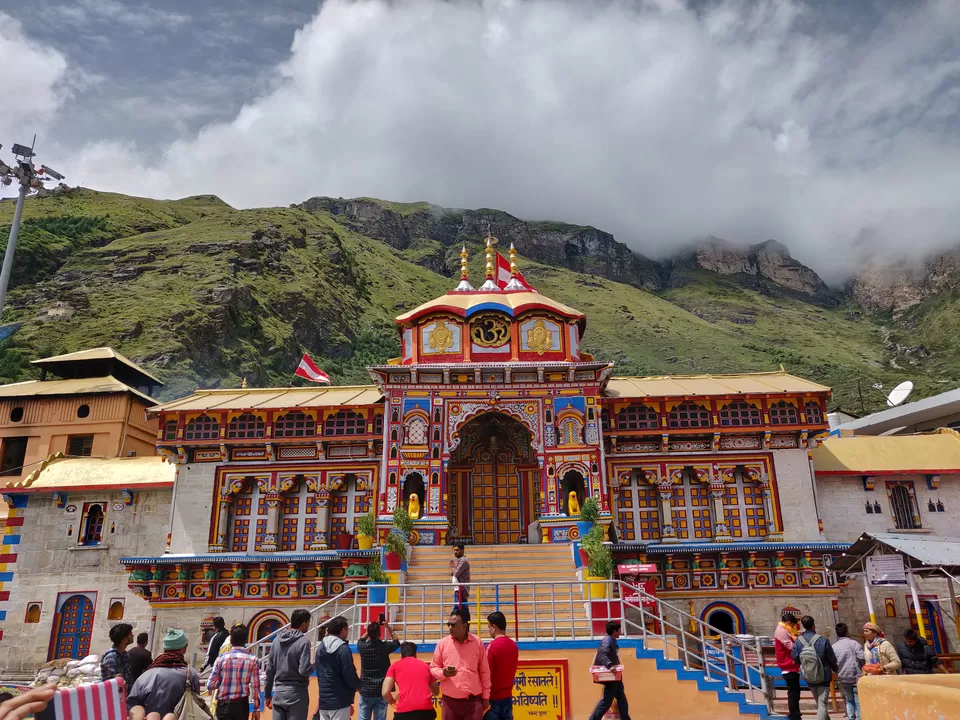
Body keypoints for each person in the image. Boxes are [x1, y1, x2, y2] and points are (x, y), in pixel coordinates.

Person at [430, 608, 490, 720]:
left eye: (453, 625)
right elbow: (433, 668)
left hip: (473, 703)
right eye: (448, 624)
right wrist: (443, 673)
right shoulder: (442, 644)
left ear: (464, 626)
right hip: (450, 704)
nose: (450, 628)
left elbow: (484, 672)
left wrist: (486, 697)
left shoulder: (477, 642)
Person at [127, 629, 200, 717]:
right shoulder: (191, 674)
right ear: (184, 648)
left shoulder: (146, 676)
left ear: (165, 648)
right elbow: (196, 703)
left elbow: (132, 706)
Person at [265, 609, 314, 720]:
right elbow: (304, 670)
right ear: (304, 623)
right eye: (308, 623)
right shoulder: (304, 641)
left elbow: (269, 670)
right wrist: (315, 665)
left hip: (278, 693)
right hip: (297, 694)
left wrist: (267, 695)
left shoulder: (276, 641)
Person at [207, 623, 262, 720]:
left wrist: (223, 681)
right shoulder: (253, 659)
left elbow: (210, 685)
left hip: (224, 706)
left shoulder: (221, 659)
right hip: (242, 706)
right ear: (245, 640)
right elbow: (256, 687)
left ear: (231, 640)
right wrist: (256, 708)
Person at [315, 616, 363, 720]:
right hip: (340, 702)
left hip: (324, 702)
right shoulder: (343, 649)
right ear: (343, 630)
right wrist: (360, 687)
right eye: (347, 629)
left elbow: (318, 672)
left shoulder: (320, 648)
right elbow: (349, 674)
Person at [791, 615, 839, 720]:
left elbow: (795, 657)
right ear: (814, 626)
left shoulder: (798, 641)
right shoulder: (823, 640)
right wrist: (836, 669)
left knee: (820, 703)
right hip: (824, 676)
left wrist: (804, 666)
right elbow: (831, 658)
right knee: (822, 704)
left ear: (803, 626)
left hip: (809, 676)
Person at [384, 642, 440, 720]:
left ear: (401, 655)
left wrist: (392, 702)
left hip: (404, 711)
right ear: (415, 655)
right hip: (426, 711)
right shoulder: (425, 666)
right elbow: (436, 692)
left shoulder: (394, 666)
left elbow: (385, 692)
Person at [587, 621, 631, 720]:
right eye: (619, 630)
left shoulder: (612, 641)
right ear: (614, 631)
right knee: (606, 702)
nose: (620, 632)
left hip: (616, 678)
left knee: (622, 700)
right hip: (611, 677)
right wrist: (610, 666)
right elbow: (602, 655)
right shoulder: (607, 641)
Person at [358, 620, 401, 720]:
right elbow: (396, 642)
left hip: (365, 690)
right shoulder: (384, 647)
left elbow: (361, 640)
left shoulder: (362, 647)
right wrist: (388, 627)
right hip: (381, 690)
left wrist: (369, 631)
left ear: (368, 633)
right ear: (379, 633)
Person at [485, 613, 518, 720]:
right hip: (507, 697)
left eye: (489, 627)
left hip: (493, 700)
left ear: (494, 627)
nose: (488, 630)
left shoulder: (491, 647)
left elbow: (486, 676)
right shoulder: (513, 645)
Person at [833, 623, 864, 720]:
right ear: (847, 631)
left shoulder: (834, 647)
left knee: (848, 700)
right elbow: (861, 657)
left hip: (843, 677)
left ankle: (851, 717)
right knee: (858, 700)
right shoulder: (854, 643)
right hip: (855, 676)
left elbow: (833, 662)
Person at [773, 612, 801, 720]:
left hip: (790, 665)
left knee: (795, 692)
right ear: (789, 622)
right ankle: (794, 716)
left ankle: (795, 714)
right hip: (788, 664)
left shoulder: (784, 630)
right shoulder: (781, 631)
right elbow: (790, 647)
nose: (793, 627)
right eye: (792, 625)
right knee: (793, 693)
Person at [449, 545, 471, 624]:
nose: (455, 552)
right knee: (460, 609)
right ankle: (462, 626)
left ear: (462, 550)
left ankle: (461, 626)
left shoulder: (463, 561)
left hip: (461, 589)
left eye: (457, 550)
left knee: (459, 609)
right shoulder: (459, 561)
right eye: (454, 550)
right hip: (458, 589)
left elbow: (456, 573)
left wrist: (452, 567)